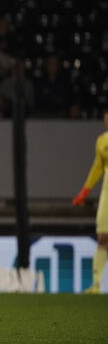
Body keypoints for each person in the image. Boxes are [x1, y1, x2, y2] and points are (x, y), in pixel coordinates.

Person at [72, 108, 108, 294]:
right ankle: (96, 285)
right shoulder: (102, 141)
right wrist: (85, 191)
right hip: (107, 194)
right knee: (103, 237)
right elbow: (97, 167)